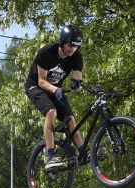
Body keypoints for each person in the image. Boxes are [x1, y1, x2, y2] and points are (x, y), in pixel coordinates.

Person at [25, 24, 87, 171]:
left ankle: (84, 153)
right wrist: (55, 89)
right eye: (70, 45)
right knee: (51, 112)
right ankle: (50, 156)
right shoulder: (47, 52)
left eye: (76, 46)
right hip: (36, 87)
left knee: (71, 119)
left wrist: (76, 85)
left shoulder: (77, 57)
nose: (73, 49)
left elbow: (78, 80)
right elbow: (41, 81)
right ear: (62, 42)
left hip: (55, 90)